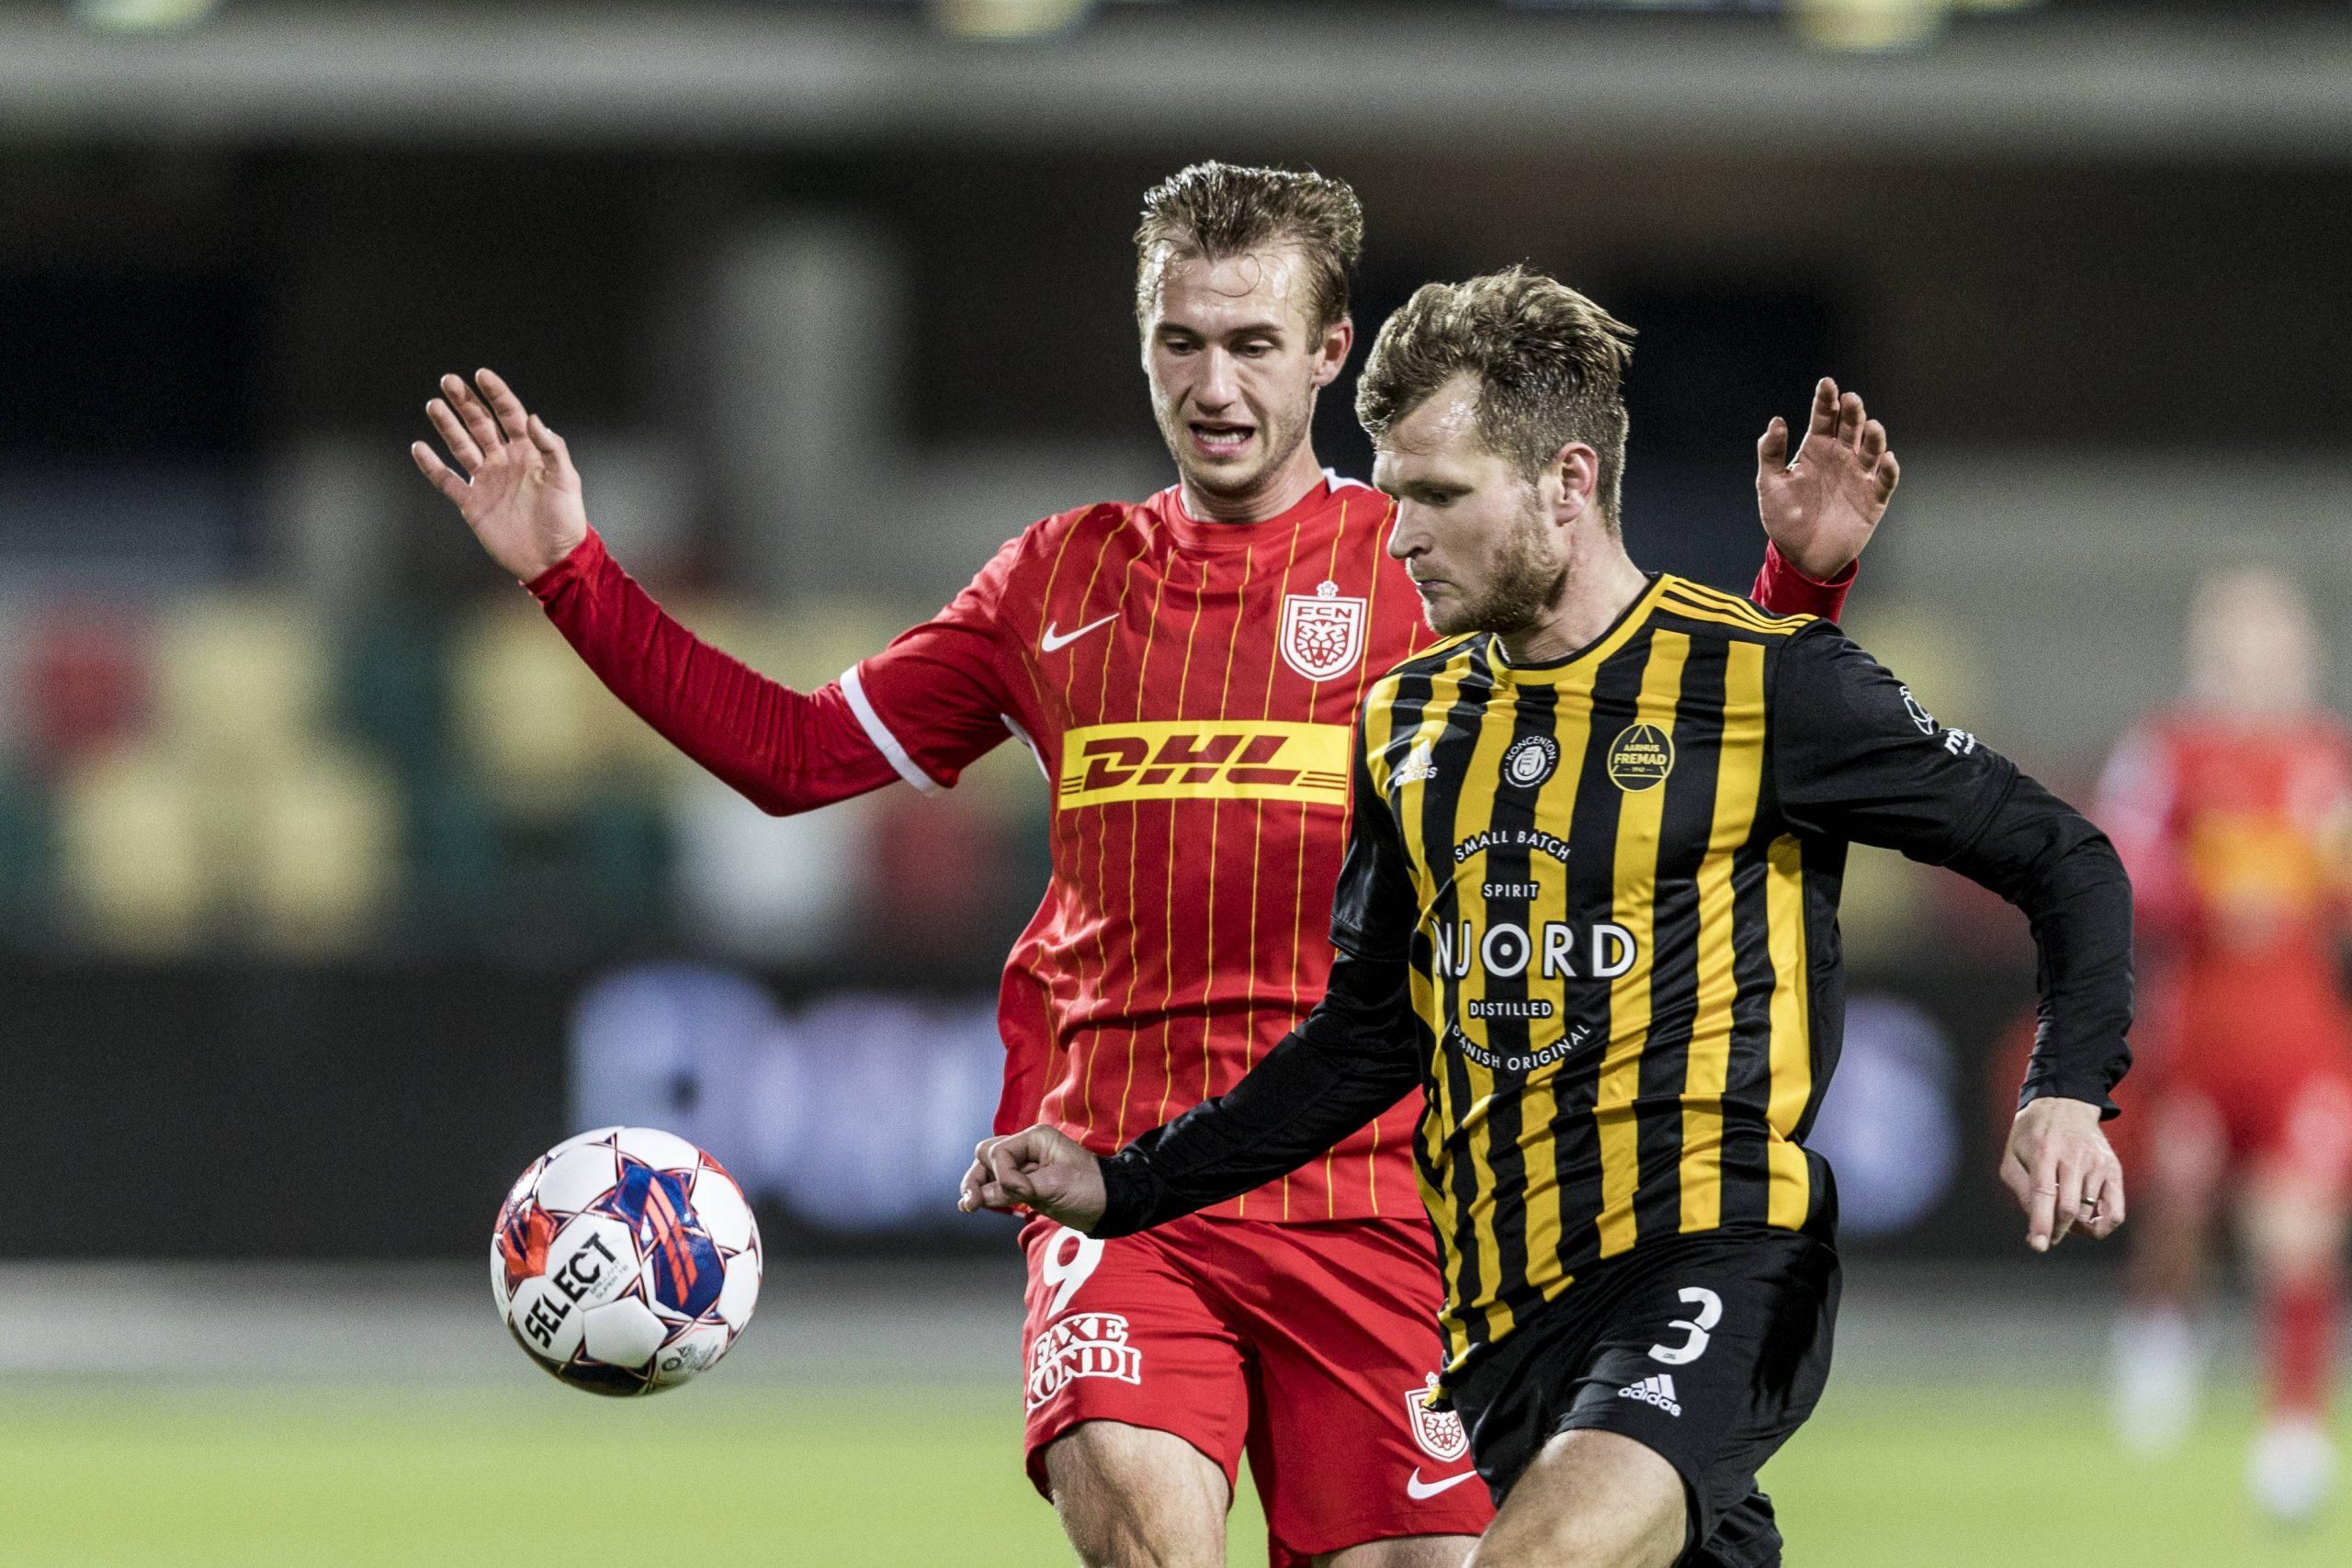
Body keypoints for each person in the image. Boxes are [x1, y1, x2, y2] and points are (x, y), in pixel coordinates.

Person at [413, 164, 1887, 1568]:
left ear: (1330, 354)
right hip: (1124, 1182)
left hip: (1398, 1205)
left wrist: (1800, 584)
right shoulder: (1054, 581)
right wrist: (572, 570)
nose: (1213, 383)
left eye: (1253, 341)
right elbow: (798, 757)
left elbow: (1678, 739)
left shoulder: (1436, 565)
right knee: (1145, 1519)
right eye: (1178, 341)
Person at [963, 267, 2133, 1568]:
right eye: (1394, 490)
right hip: (1506, 1327)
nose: (1398, 536)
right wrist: (1128, 1182)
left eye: (1441, 495)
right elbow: (1364, 1039)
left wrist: (2066, 1087)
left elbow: (2065, 856)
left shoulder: (1765, 681)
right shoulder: (1409, 724)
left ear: (1568, 483)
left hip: (1717, 1259)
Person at [2098, 567, 2352, 1521]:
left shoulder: (2327, 757)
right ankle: (2160, 1323)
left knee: (2299, 1228)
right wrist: (2207, 893)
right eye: (2239, 640)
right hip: (2197, 1035)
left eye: (2273, 640)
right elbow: (2117, 859)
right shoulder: (2168, 750)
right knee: (2182, 1205)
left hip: (2302, 1043)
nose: (2258, 658)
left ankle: (2291, 1430)